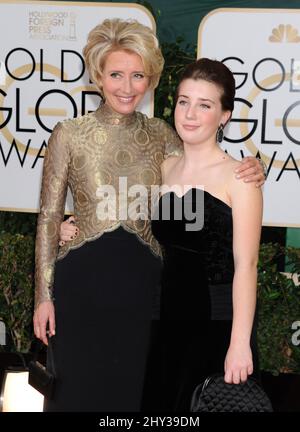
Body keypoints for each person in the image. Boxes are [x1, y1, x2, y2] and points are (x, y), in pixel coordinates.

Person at [34, 17, 265, 412]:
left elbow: (243, 254)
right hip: (99, 293)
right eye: (116, 74)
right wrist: (57, 250)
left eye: (138, 75)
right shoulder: (78, 136)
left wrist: (256, 163)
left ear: (151, 79)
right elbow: (58, 212)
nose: (127, 86)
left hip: (155, 302)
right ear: (98, 75)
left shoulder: (163, 137)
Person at [146, 58, 263, 411]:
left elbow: (247, 265)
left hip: (217, 326)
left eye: (205, 104)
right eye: (184, 101)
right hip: (165, 322)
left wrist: (239, 342)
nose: (190, 114)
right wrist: (68, 225)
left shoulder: (240, 177)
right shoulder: (162, 168)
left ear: (224, 115)